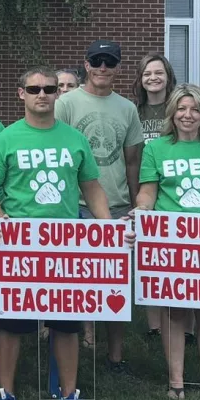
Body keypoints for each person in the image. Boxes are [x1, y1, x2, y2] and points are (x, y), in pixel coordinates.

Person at [0, 68, 109, 400]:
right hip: (18, 245)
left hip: (65, 244)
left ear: (57, 94)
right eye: (34, 89)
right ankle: (6, 395)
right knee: (10, 324)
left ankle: (69, 396)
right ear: (21, 93)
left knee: (66, 324)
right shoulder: (5, 140)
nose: (42, 94)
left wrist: (106, 226)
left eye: (49, 88)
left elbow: (92, 187)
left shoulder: (74, 139)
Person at [134, 84, 200, 400]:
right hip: (171, 237)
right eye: (181, 109)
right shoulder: (157, 149)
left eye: (194, 109)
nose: (187, 115)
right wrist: (142, 209)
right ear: (172, 113)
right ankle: (176, 381)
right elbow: (148, 189)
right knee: (175, 312)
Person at [55, 40, 144, 371]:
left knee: (116, 283)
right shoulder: (66, 103)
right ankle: (79, 346)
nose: (103, 68)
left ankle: (115, 354)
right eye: (97, 61)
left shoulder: (127, 109)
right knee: (78, 283)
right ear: (86, 64)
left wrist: (136, 203)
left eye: (110, 62)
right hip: (74, 205)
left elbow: (132, 161)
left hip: (117, 204)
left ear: (118, 67)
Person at [131, 53, 182, 338]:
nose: (153, 78)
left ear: (168, 76)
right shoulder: (133, 112)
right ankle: (154, 325)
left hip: (176, 191)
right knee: (147, 259)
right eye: (147, 73)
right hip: (144, 190)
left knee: (179, 260)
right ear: (140, 79)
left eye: (158, 72)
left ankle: (185, 325)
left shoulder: (178, 108)